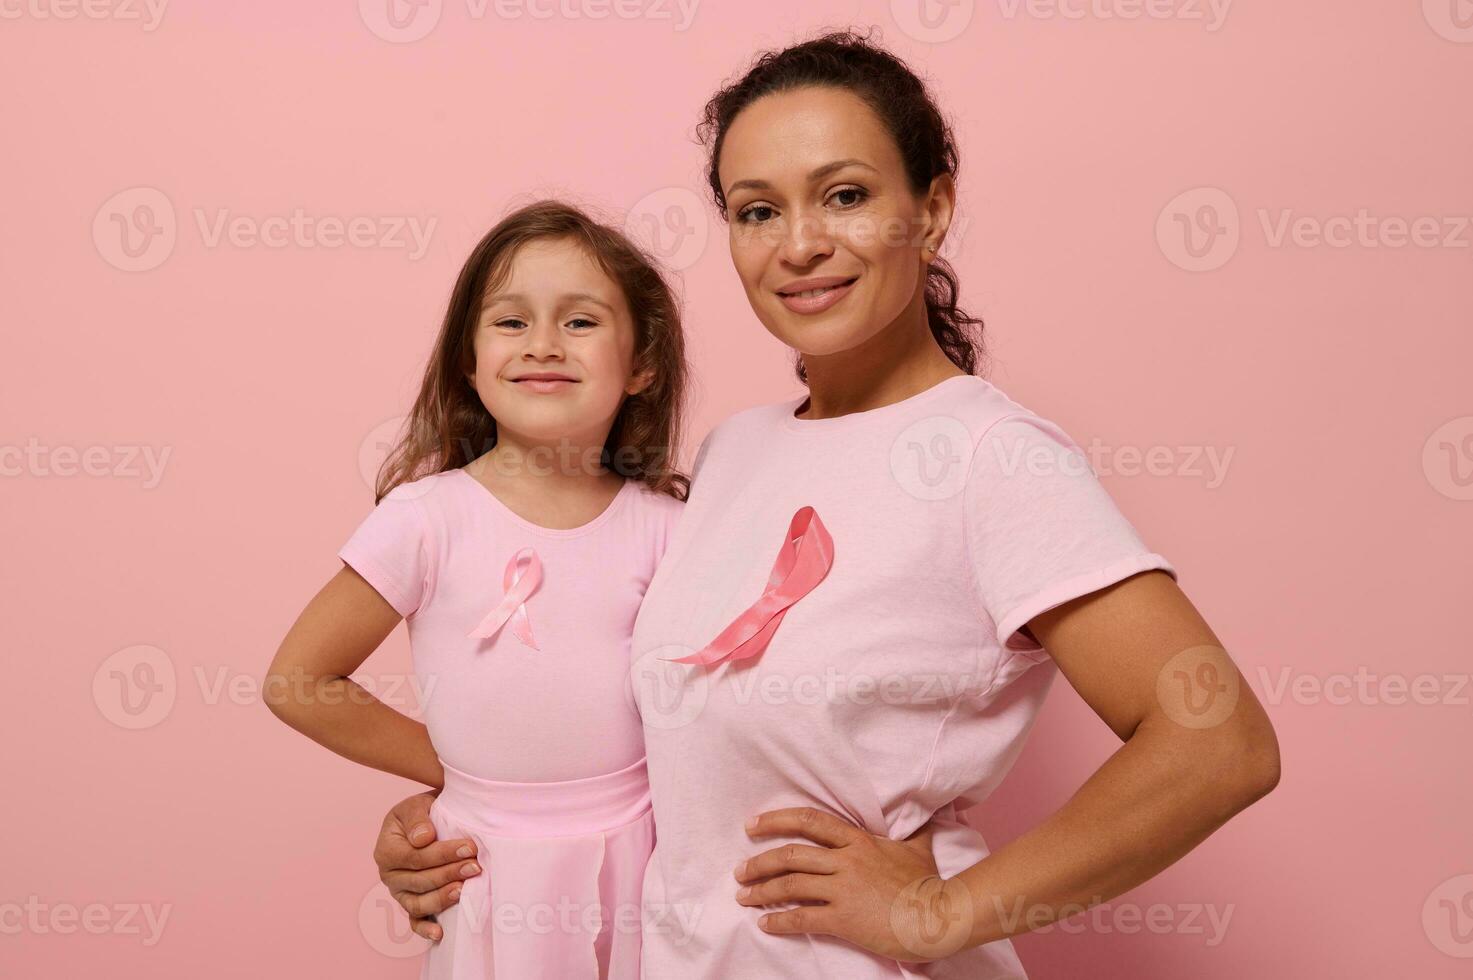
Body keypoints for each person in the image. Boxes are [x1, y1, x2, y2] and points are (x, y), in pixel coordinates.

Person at [372, 32, 1281, 978]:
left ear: (931, 209)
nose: (799, 244)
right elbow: (670, 750)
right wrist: (469, 820)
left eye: (844, 195)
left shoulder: (991, 458)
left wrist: (939, 913)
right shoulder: (736, 451)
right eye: (757, 210)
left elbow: (1218, 745)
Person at [266, 200, 689, 979]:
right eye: (510, 322)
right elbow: (298, 681)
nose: (544, 346)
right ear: (467, 357)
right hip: (488, 867)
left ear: (641, 364)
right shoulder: (428, 518)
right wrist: (454, 771)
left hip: (648, 859)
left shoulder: (668, 528)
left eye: (582, 322)